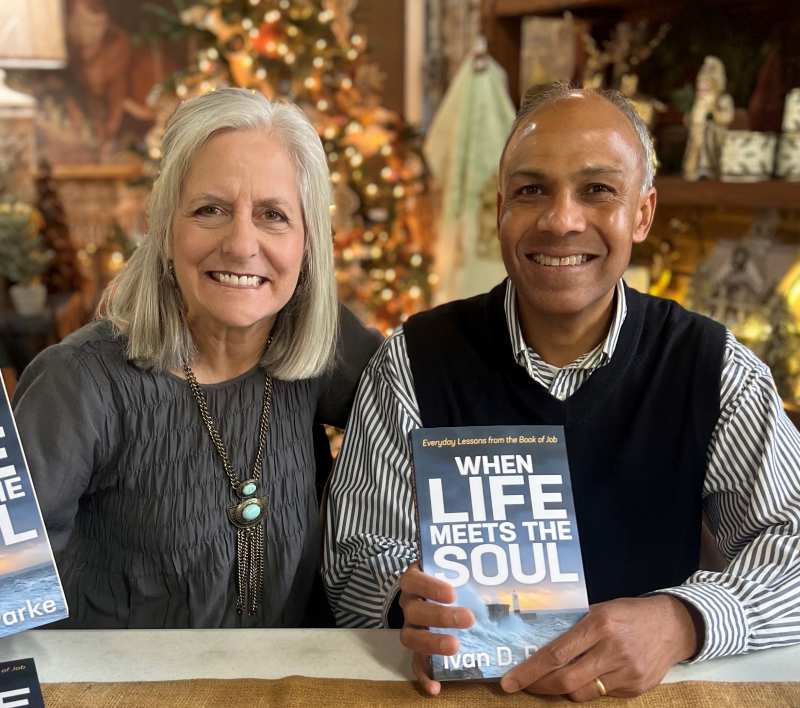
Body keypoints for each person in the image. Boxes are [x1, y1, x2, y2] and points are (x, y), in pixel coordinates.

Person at [323, 83, 800, 701]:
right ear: (500, 208)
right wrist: (400, 601)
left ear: (643, 213)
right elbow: (355, 558)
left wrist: (685, 621)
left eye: (598, 190)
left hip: (654, 694)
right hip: (465, 694)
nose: (560, 220)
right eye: (531, 190)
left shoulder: (714, 369)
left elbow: (790, 543)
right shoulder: (413, 361)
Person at [13, 87, 381, 628]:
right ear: (165, 230)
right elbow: (10, 598)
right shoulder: (76, 383)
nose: (240, 243)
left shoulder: (326, 347)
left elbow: (445, 429)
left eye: (273, 215)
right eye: (210, 210)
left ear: (307, 245)